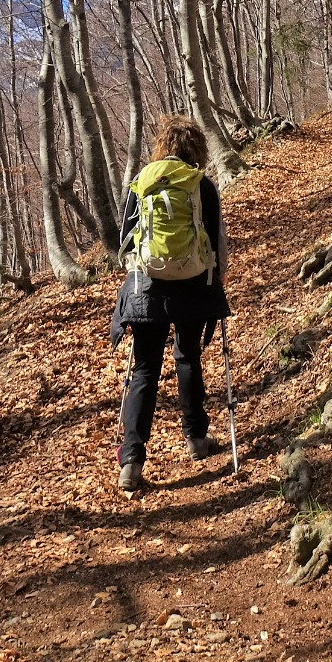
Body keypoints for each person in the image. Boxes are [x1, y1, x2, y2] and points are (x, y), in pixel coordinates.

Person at [110, 115, 230, 491]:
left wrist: (132, 280)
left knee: (145, 368)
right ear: (197, 148)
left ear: (162, 145)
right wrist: (218, 281)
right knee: (188, 355)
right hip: (193, 282)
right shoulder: (202, 186)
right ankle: (196, 438)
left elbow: (125, 240)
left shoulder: (142, 183)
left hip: (147, 284)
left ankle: (131, 458)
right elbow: (217, 241)